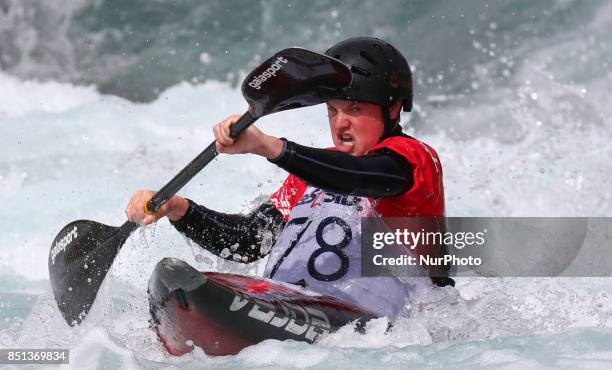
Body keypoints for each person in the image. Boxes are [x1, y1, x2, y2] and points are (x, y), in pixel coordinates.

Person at [125, 37, 453, 320]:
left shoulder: (413, 160)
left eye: (353, 110)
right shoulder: (309, 175)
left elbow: (356, 176)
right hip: (290, 304)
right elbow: (252, 241)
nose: (340, 125)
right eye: (332, 111)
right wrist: (180, 209)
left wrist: (270, 147)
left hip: (377, 327)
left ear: (393, 109)